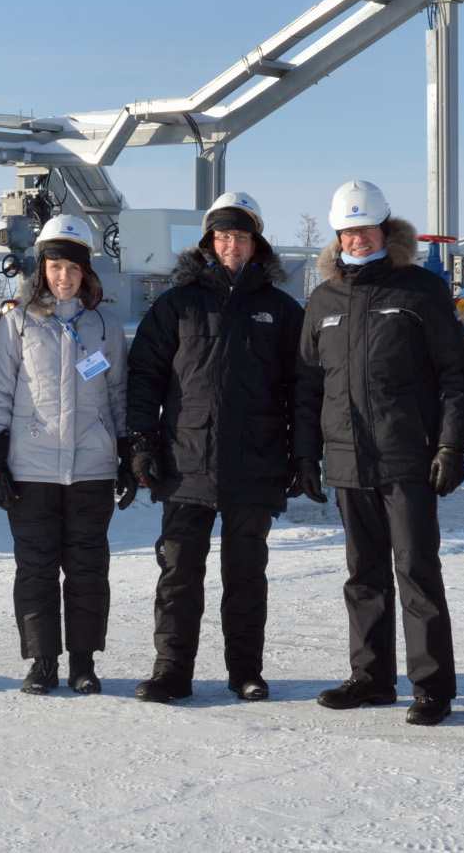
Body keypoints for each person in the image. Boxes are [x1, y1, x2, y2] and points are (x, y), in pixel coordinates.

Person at [294, 180, 464, 727]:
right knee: (362, 574)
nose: (356, 239)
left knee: (417, 570)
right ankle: (371, 678)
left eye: (365, 229)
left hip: (406, 457)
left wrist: (450, 444)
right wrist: (306, 455)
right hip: (347, 459)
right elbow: (306, 385)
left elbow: (456, 375)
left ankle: (432, 686)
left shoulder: (419, 289)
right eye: (347, 231)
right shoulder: (323, 300)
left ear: (386, 229)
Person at [126, 191, 308, 704]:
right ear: (209, 244)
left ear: (256, 245)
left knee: (245, 576)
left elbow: (303, 389)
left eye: (241, 237)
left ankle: (245, 671)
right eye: (223, 237)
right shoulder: (177, 304)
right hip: (186, 463)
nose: (232, 245)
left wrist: (301, 456)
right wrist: (141, 443)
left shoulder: (279, 309)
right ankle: (171, 672)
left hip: (255, 463)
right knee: (179, 575)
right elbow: (144, 378)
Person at [0, 215, 134, 696]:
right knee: (36, 569)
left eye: (72, 268)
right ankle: (42, 660)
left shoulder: (105, 325)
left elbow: (117, 395)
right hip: (33, 469)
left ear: (87, 273)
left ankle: (83, 662)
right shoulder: (18, 322)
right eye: (54, 267)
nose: (63, 277)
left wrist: (125, 452)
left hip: (91, 469)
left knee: (89, 569)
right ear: (41, 270)